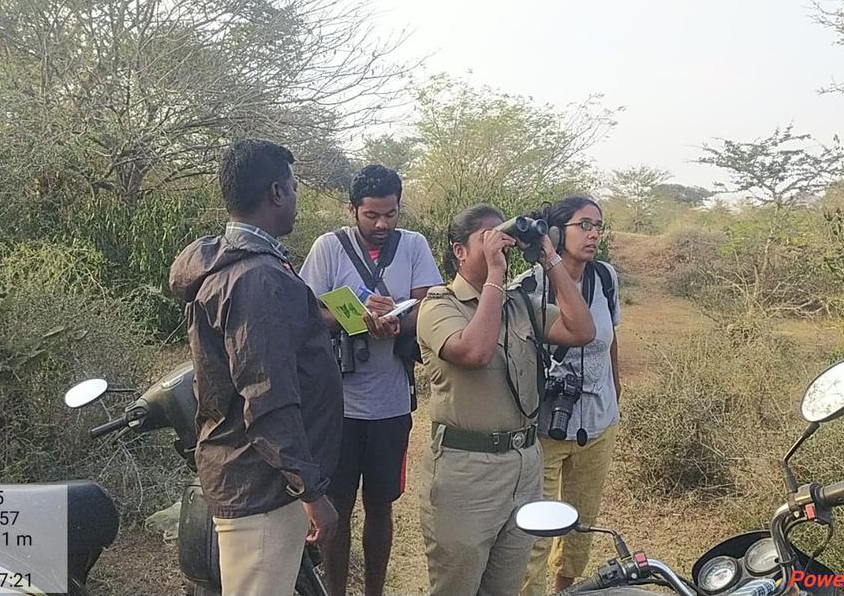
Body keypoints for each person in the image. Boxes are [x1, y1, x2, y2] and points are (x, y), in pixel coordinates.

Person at [168, 138, 341, 596]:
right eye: (293, 187)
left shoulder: (233, 265)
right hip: (261, 485)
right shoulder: (258, 278)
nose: (296, 198)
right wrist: (311, 491)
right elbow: (268, 397)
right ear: (276, 193)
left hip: (252, 477)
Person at [417, 203, 596, 596]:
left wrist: (550, 258)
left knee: (506, 586)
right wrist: (496, 274)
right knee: (457, 587)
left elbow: (582, 330)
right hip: (466, 472)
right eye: (486, 238)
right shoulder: (437, 305)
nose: (499, 244)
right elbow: (475, 353)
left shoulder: (520, 305)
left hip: (523, 465)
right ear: (459, 250)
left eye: (503, 236)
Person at [299, 164, 443, 596]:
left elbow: (428, 306)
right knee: (337, 506)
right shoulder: (329, 247)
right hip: (337, 405)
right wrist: (354, 320)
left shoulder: (414, 245)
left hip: (391, 402)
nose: (382, 224)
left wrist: (399, 320)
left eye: (391, 214)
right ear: (352, 210)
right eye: (372, 216)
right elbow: (307, 312)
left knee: (381, 505)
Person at [519, 196, 623, 596]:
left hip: (598, 421)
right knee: (538, 529)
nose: (594, 233)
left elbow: (611, 338)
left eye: (598, 225)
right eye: (584, 225)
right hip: (546, 426)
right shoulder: (528, 286)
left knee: (581, 519)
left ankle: (565, 589)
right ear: (557, 233)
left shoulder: (606, 278)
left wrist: (615, 387)